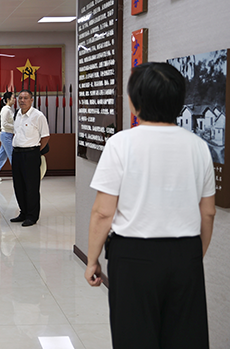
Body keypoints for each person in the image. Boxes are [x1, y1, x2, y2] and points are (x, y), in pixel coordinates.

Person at [84, 62, 216, 349]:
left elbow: (103, 212)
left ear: (135, 101)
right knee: (185, 338)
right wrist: (192, 257)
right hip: (185, 254)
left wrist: (92, 259)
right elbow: (207, 212)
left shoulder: (121, 144)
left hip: (134, 257)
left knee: (135, 337)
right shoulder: (198, 146)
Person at [10, 90, 49, 227]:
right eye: (20, 98)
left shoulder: (38, 116)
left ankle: (32, 216)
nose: (22, 100)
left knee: (31, 187)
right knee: (18, 185)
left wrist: (36, 151)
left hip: (31, 154)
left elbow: (45, 136)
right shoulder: (17, 114)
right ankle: (23, 212)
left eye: (25, 98)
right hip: (17, 153)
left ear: (32, 100)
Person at [0, 92, 15, 177]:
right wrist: (16, 126)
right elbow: (4, 124)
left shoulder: (9, 109)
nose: (14, 100)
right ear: (8, 99)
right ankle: (18, 174)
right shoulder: (6, 110)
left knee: (2, 157)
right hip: (6, 135)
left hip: (8, 135)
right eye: (13, 98)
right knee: (12, 155)